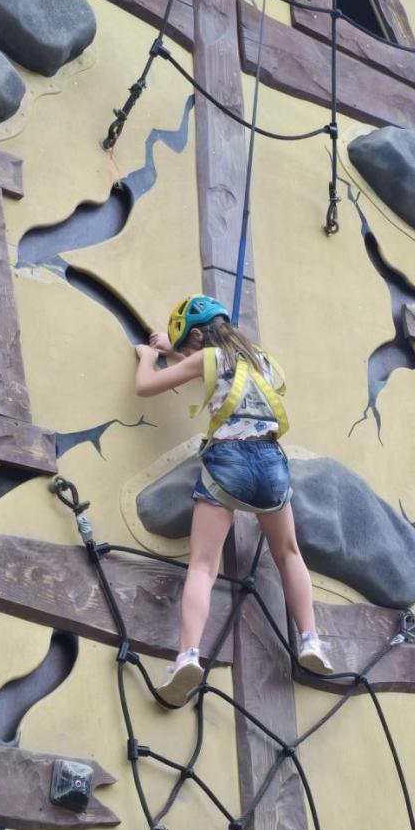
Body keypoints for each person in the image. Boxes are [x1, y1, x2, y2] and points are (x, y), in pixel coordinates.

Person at [134, 294, 333, 706]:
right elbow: (220, 369)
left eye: (189, 345)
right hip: (272, 462)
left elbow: (146, 386)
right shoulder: (260, 360)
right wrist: (174, 350)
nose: (188, 354)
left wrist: (146, 358)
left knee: (204, 566)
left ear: (201, 336)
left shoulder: (205, 358)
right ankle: (311, 640)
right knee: (290, 555)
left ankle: (188, 655)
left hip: (230, 461)